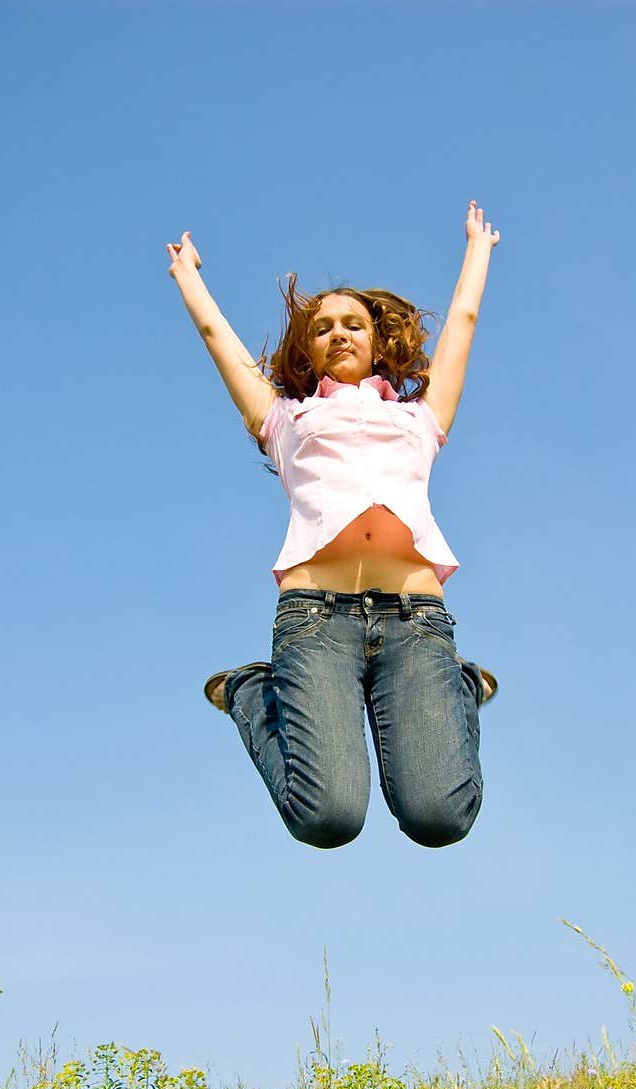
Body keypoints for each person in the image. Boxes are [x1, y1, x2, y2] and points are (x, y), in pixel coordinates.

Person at [165, 200, 500, 850]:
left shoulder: (421, 419)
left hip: (416, 622)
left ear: (378, 341)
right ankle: (249, 691)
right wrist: (188, 276)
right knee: (327, 819)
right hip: (315, 620)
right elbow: (219, 343)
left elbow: (463, 321)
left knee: (440, 818)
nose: (340, 333)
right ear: (307, 348)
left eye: (354, 324)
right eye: (323, 328)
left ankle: (460, 685)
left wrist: (479, 248)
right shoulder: (283, 420)